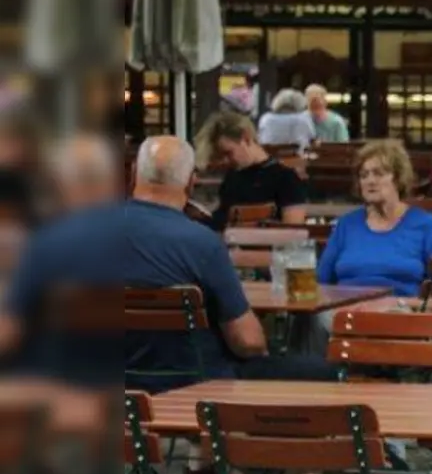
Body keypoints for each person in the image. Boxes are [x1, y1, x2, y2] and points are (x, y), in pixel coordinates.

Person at [119, 137, 335, 392]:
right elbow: (248, 343)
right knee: (324, 371)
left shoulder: (83, 233)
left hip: (105, 385)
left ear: (133, 173)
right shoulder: (201, 243)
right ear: (191, 182)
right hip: (197, 383)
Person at [0, 135, 124, 385]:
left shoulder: (50, 243)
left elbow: (9, 332)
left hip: (61, 386)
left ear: (61, 184)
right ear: (112, 180)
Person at [316, 140, 432, 298]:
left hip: (400, 309)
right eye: (364, 175)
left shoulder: (426, 225)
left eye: (378, 174)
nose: (370, 181)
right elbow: (321, 283)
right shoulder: (346, 224)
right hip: (346, 309)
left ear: (398, 178)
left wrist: (400, 305)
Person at [194, 111, 308, 230]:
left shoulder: (286, 179)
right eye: (220, 156)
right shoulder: (233, 177)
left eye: (228, 153)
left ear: (246, 138)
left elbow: (293, 231)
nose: (225, 161)